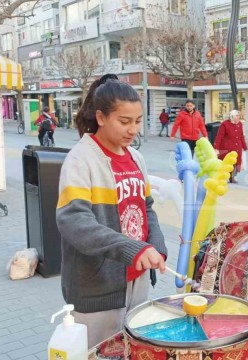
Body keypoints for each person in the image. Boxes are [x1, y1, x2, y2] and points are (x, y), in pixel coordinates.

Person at [56, 74, 168, 348]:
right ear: (101, 117)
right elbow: (74, 221)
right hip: (97, 286)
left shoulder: (136, 157)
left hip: (136, 280)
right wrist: (132, 249)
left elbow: (146, 207)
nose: (133, 130)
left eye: (138, 122)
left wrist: (155, 243)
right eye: (124, 121)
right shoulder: (81, 159)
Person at [214, 110, 248, 184]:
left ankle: (232, 177)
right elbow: (219, 136)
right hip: (227, 147)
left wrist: (244, 146)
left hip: (237, 147)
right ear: (232, 116)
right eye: (236, 116)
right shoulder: (224, 124)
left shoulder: (240, 124)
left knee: (235, 163)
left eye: (239, 116)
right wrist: (216, 147)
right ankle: (225, 176)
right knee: (226, 162)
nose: (238, 117)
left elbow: (241, 136)